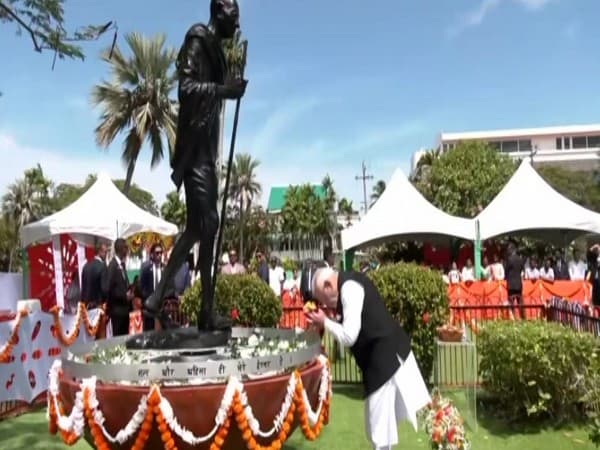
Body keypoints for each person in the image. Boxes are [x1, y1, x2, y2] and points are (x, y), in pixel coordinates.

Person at [144, 0, 247, 331]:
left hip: (207, 153)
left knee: (201, 227)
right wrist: (222, 89)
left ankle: (184, 305)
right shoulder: (197, 40)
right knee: (207, 223)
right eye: (234, 20)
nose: (237, 27)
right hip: (194, 153)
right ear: (218, 14)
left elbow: (216, 90)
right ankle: (180, 302)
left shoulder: (215, 50)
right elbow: (186, 88)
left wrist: (229, 88)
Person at [303, 265, 431, 450]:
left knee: (379, 432)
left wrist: (325, 321)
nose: (327, 305)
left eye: (324, 300)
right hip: (381, 362)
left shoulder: (349, 288)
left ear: (329, 285)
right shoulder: (347, 285)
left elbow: (349, 336)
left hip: (386, 360)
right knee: (377, 430)